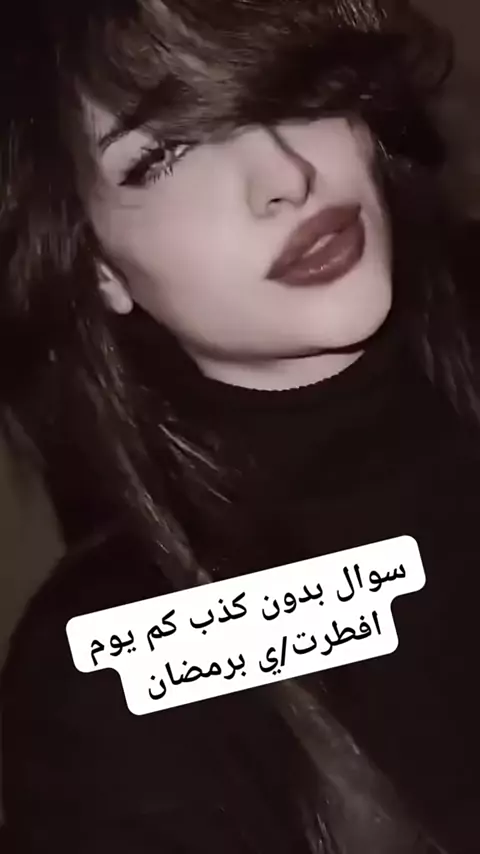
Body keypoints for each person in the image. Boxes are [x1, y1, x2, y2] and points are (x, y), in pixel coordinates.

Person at [0, 0, 479, 851]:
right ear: (98, 266)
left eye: (281, 85)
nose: (283, 174)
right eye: (163, 155)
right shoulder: (114, 683)